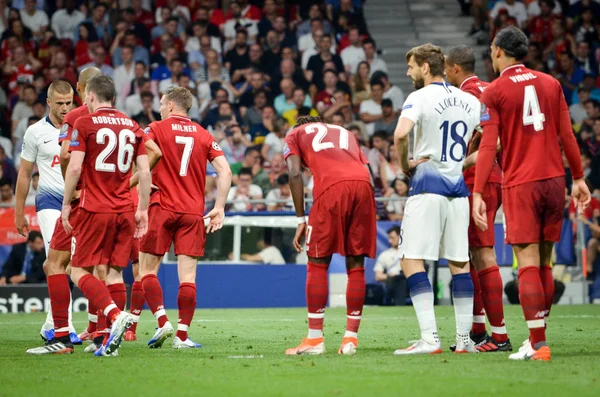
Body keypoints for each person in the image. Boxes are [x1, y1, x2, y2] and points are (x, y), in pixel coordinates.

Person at [473, 27, 591, 361]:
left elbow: (487, 147)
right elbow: (567, 135)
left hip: (521, 183)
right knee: (544, 262)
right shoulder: (551, 83)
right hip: (555, 180)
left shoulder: (494, 91)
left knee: (526, 262)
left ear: (497, 51)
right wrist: (578, 178)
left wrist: (479, 191)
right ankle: (536, 336)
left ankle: (538, 344)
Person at [393, 44, 481, 355]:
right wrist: (465, 162)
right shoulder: (470, 100)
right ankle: (464, 340)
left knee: (410, 258)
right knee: (460, 263)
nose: (408, 73)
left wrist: (405, 167)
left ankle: (430, 339)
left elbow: (401, 135)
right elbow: (491, 141)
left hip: (427, 188)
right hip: (459, 194)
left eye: (412, 67)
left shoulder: (418, 98)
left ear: (426, 68)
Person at [61, 75, 151, 357]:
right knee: (114, 273)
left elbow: (74, 168)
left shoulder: (84, 124)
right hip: (124, 208)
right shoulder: (132, 125)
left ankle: (113, 315)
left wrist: (66, 204)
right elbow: (146, 171)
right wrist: (143, 209)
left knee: (78, 270)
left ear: (89, 96)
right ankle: (108, 343)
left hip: (94, 208)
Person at [138, 86, 232, 349]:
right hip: (192, 212)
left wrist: (138, 192)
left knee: (146, 270)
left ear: (170, 106)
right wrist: (220, 207)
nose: (158, 107)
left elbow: (141, 161)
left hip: (161, 206)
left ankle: (161, 321)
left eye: (160, 103)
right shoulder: (203, 134)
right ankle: (182, 336)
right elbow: (225, 171)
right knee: (188, 277)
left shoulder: (155, 128)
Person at [283, 116, 376, 356]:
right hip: (364, 185)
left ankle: (315, 340)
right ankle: (350, 340)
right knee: (356, 265)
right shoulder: (345, 130)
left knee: (317, 262)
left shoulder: (294, 134)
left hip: (331, 188)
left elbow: (294, 174)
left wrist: (300, 219)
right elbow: (365, 168)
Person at [445, 45, 512, 352]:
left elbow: (492, 138)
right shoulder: (490, 87)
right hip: (497, 176)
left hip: (479, 180)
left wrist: (469, 162)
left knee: (483, 253)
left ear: (455, 69)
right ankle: (477, 330)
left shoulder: (469, 94)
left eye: (446, 69)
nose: (444, 74)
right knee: (473, 251)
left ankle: (499, 336)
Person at [14, 79, 81, 346]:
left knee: (69, 263)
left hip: (76, 203)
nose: (65, 108)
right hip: (49, 202)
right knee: (62, 262)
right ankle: (68, 327)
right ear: (49, 103)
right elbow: (24, 174)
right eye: (60, 103)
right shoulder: (34, 132)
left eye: (69, 103)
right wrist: (19, 213)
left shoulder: (80, 127)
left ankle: (51, 324)